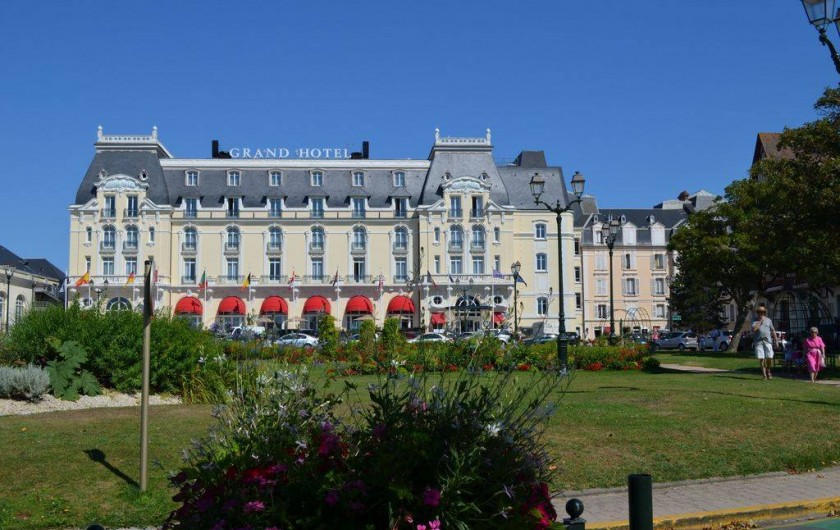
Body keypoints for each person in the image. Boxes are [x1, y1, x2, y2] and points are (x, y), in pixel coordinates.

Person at [751, 306, 778, 380]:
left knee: (769, 357)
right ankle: (764, 374)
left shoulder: (769, 320)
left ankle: (768, 370)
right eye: (759, 312)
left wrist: (776, 340)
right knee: (761, 358)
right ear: (757, 313)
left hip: (767, 341)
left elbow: (773, 330)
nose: (761, 313)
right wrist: (760, 321)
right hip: (758, 341)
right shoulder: (754, 320)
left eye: (762, 312)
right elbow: (754, 329)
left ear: (764, 313)